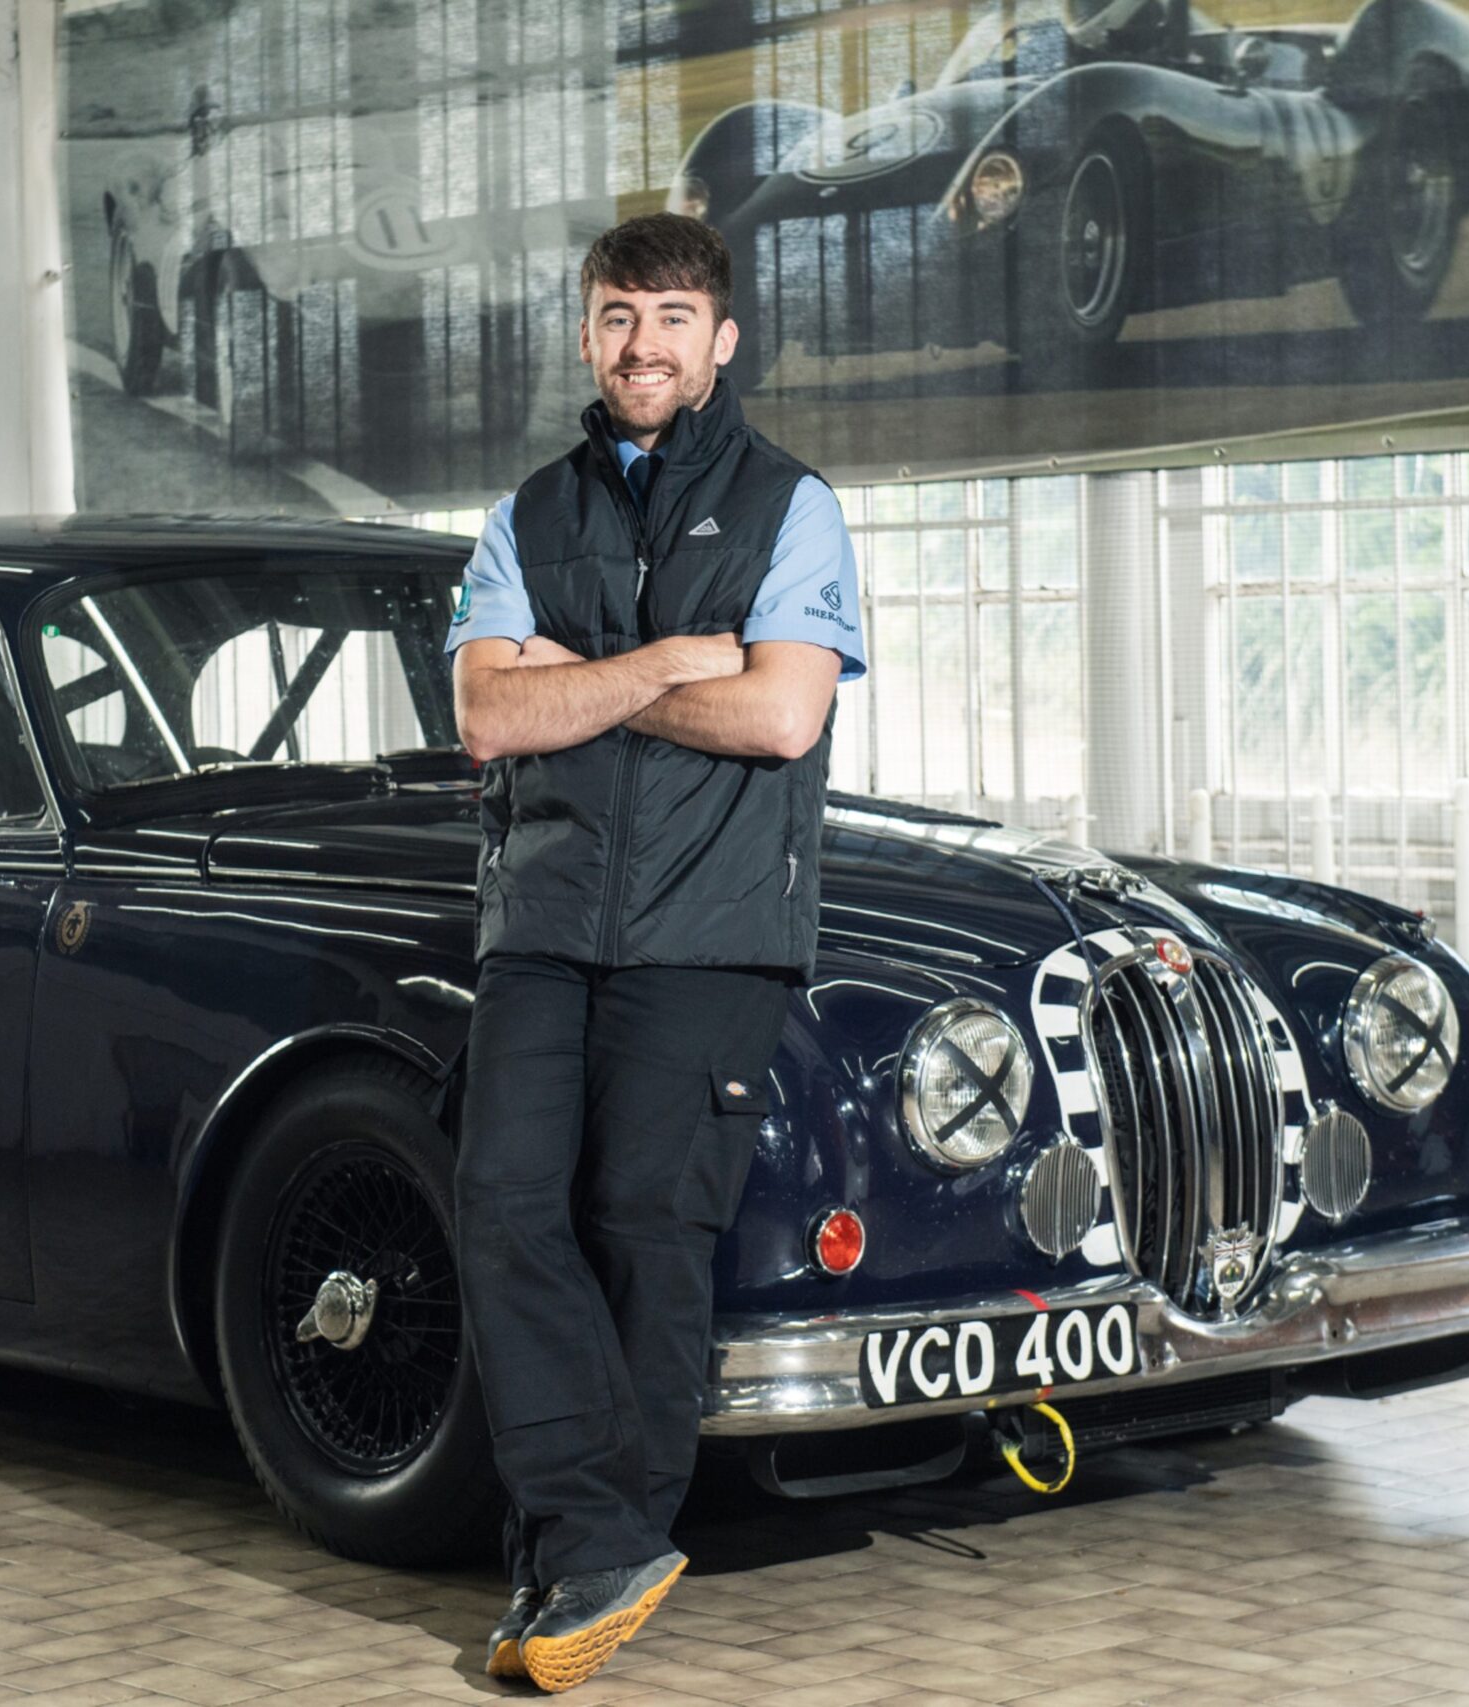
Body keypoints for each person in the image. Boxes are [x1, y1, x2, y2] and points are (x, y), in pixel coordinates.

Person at [441, 212, 864, 1693]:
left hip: (714, 935)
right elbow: (489, 718)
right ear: (585, 332)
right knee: (500, 1205)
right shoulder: (527, 514)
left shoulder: (792, 508)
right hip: (546, 926)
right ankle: (594, 1541)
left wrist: (586, 682)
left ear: (723, 339)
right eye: (620, 316)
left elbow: (781, 718)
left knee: (642, 1226)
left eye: (674, 319)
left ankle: (584, 1553)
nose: (645, 345)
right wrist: (679, 661)